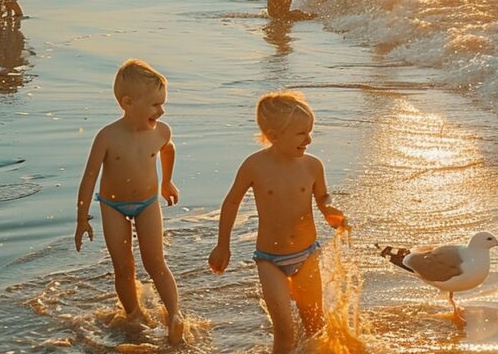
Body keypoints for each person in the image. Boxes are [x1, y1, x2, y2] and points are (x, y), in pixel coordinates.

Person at [208, 91, 346, 352]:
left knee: (315, 325)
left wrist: (329, 210)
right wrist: (222, 245)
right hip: (270, 260)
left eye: (310, 131)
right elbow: (232, 203)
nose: (309, 139)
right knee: (284, 331)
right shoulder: (254, 166)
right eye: (301, 133)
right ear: (273, 135)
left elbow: (323, 197)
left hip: (306, 256)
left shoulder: (312, 166)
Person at [75, 59, 185, 344]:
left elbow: (168, 150)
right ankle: (134, 314)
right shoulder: (108, 137)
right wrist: (81, 217)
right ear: (127, 103)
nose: (161, 111)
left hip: (148, 203)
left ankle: (175, 315)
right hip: (112, 206)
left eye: (162, 104)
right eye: (154, 105)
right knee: (123, 267)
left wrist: (166, 181)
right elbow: (89, 178)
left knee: (155, 262)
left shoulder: (161, 132)